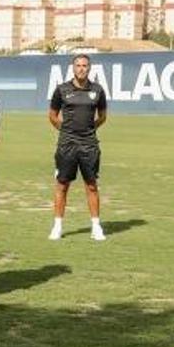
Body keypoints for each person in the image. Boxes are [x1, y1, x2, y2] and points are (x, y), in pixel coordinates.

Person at [47, 54, 108, 241]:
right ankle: (57, 226)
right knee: (62, 185)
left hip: (89, 144)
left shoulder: (97, 90)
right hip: (67, 145)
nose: (81, 68)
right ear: (73, 68)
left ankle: (96, 227)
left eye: (85, 66)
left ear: (90, 68)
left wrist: (89, 130)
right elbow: (52, 115)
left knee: (91, 185)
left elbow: (103, 116)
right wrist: (66, 130)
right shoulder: (62, 90)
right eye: (78, 65)